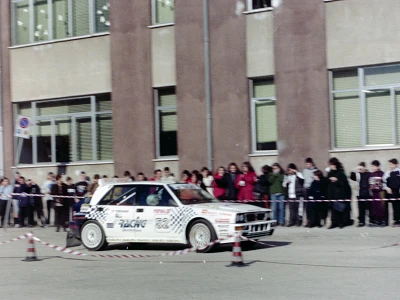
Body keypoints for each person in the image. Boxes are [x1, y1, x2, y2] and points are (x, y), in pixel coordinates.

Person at [327, 157, 352, 229]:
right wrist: (330, 179)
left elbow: (344, 184)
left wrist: (336, 180)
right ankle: (333, 223)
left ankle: (341, 223)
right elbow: (327, 182)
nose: (330, 166)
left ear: (335, 165)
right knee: (333, 210)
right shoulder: (330, 173)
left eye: (331, 165)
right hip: (332, 194)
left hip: (339, 194)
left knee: (339, 209)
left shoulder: (341, 173)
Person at [350, 162, 371, 227]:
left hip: (368, 193)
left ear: (364, 167)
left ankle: (371, 221)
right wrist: (354, 169)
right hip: (360, 194)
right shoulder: (357, 174)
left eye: (362, 167)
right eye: (359, 168)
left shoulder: (368, 174)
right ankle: (361, 221)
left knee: (369, 208)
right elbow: (351, 177)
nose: (360, 169)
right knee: (361, 209)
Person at [383, 158, 400, 226]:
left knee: (397, 206)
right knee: (390, 206)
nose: (390, 166)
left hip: (397, 191)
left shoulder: (399, 171)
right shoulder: (387, 173)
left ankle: (398, 220)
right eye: (389, 164)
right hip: (389, 191)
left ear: (396, 165)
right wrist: (387, 188)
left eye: (391, 164)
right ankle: (387, 221)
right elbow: (384, 182)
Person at [369, 160, 386, 227]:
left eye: (374, 166)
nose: (372, 168)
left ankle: (383, 220)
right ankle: (377, 221)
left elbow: (384, 183)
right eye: (372, 166)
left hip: (380, 192)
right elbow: (371, 183)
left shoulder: (382, 174)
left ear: (378, 166)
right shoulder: (371, 174)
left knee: (381, 207)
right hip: (374, 193)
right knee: (375, 207)